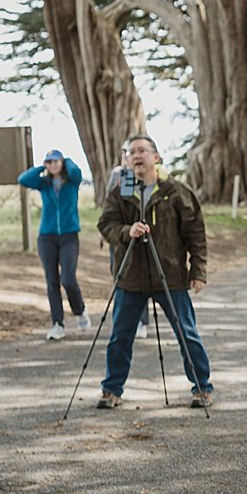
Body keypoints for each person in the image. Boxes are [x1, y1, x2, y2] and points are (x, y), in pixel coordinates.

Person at [95, 134, 214, 409]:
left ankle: (202, 388)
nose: (136, 156)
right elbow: (106, 225)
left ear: (156, 157)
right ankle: (111, 390)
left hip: (170, 276)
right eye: (131, 152)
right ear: (126, 160)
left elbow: (196, 234)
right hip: (130, 278)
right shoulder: (120, 193)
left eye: (142, 151)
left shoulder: (177, 192)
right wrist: (127, 231)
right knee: (119, 337)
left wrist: (198, 269)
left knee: (187, 333)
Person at [19, 149, 89, 340]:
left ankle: (80, 310)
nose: (52, 165)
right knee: (52, 281)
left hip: (69, 236)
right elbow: (23, 179)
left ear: (62, 162)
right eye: (48, 162)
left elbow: (77, 172)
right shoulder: (44, 184)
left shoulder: (72, 182)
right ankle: (57, 323)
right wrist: (41, 167)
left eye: (55, 161)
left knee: (68, 278)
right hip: (47, 237)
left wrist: (66, 161)